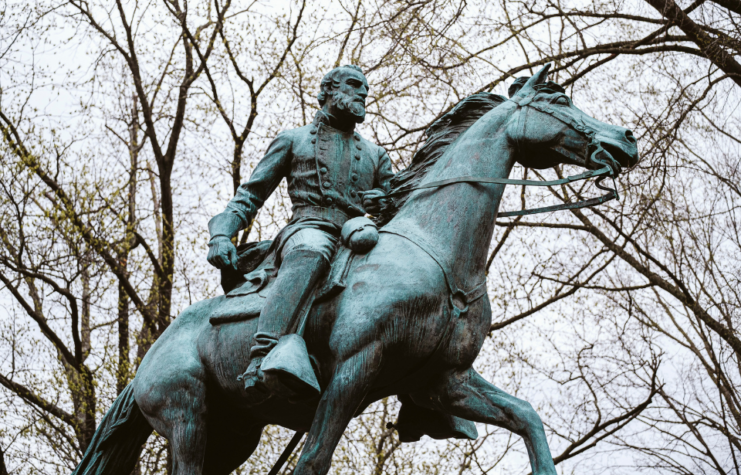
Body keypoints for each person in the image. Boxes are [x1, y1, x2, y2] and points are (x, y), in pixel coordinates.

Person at [206, 65, 394, 400]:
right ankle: (264, 355)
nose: (363, 92)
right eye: (353, 85)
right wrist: (222, 234)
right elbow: (250, 195)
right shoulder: (293, 140)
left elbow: (398, 203)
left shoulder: (377, 155)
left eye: (366, 88)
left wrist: (384, 202)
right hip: (308, 228)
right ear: (327, 90)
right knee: (312, 250)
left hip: (359, 235)